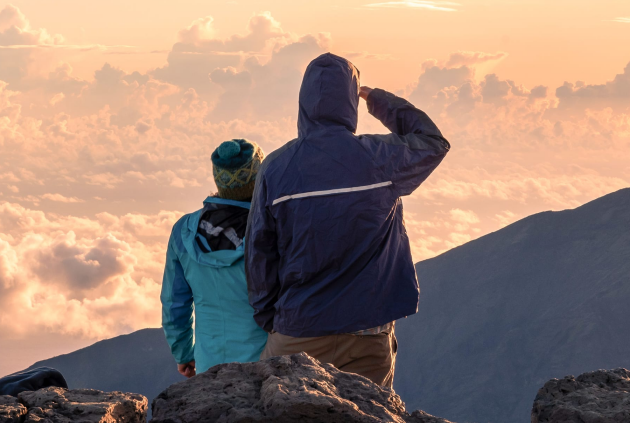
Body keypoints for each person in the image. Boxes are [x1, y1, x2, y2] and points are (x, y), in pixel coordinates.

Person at [245, 53, 450, 388]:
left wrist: (273, 319)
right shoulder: (379, 159)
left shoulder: (276, 168)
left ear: (304, 102)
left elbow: (259, 254)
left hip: (299, 330)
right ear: (350, 102)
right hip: (368, 334)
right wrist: (380, 101)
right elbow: (432, 143)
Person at [161, 138, 268, 378]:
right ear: (259, 178)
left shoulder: (184, 230)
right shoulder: (269, 229)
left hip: (210, 367)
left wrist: (183, 353)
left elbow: (174, 303)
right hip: (266, 365)